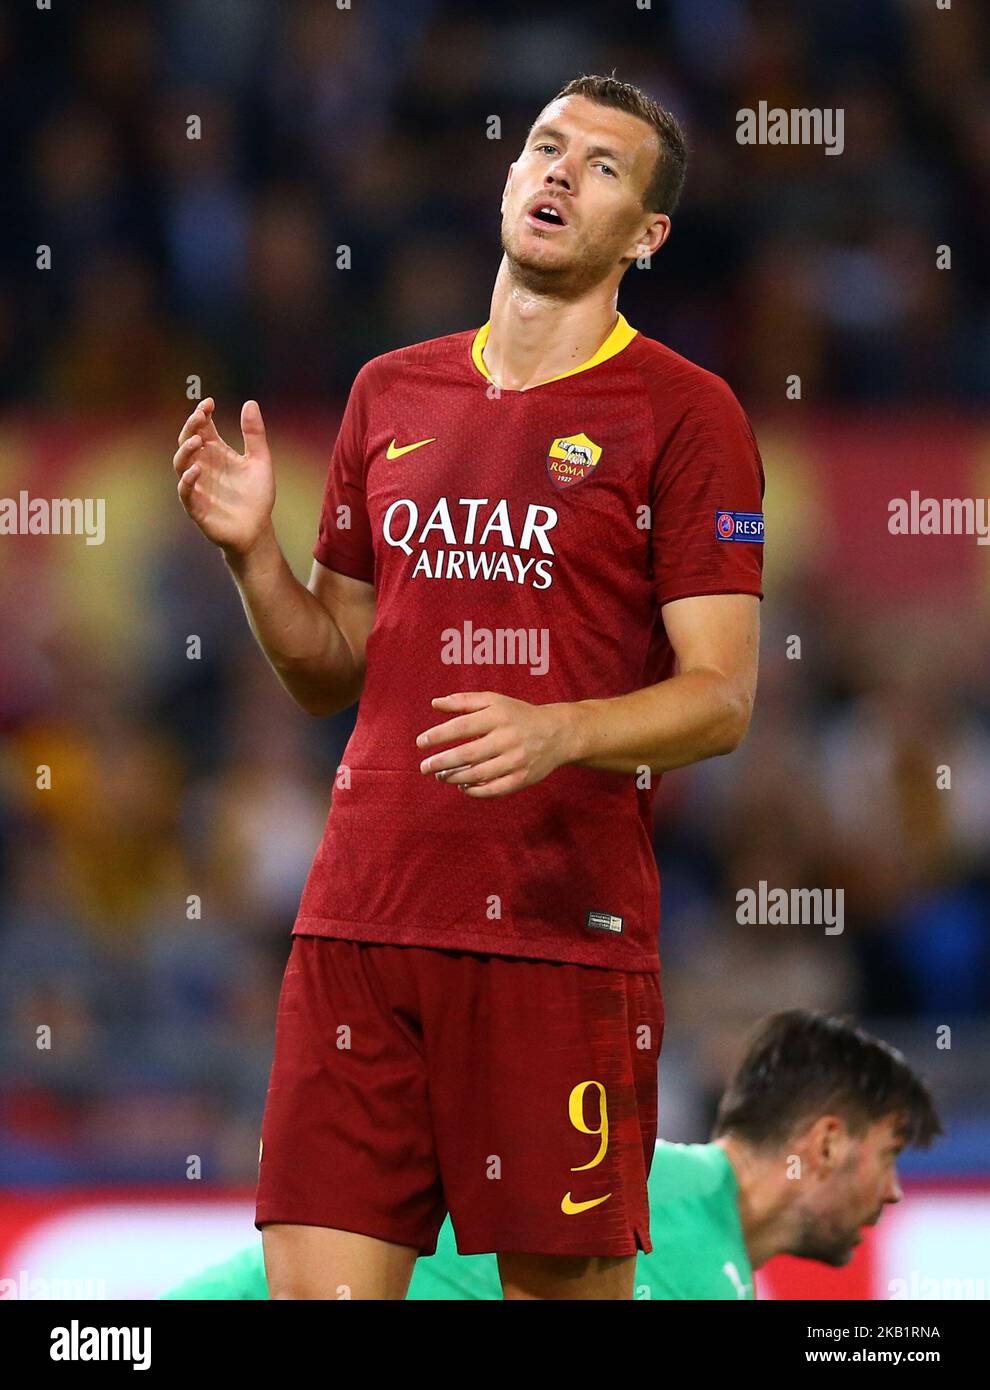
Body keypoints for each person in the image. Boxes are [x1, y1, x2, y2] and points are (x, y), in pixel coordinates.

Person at [172, 73, 765, 1301]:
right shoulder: (390, 391)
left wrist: (561, 731)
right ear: (507, 177)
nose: (559, 172)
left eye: (603, 165)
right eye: (546, 147)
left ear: (648, 235)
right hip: (358, 926)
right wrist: (252, 556)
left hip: (558, 939)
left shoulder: (687, 414)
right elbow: (328, 665)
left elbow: (721, 697)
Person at [161, 1011, 942, 1300]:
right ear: (828, 1143)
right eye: (891, 1153)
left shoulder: (653, 1191)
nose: (897, 1192)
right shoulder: (663, 1220)